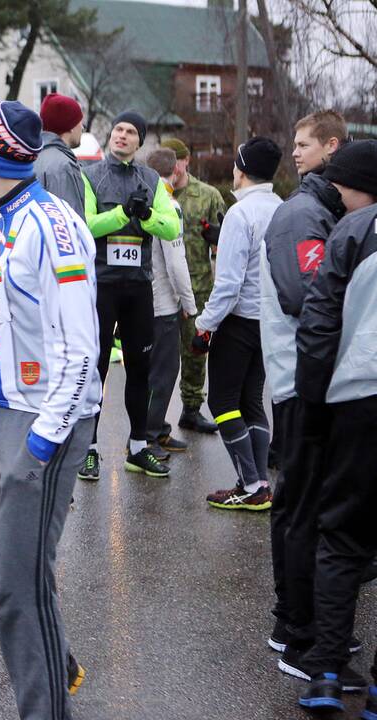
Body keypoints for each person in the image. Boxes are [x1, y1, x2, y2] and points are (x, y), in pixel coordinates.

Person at [0, 100, 100, 720]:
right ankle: (55, 656)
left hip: (43, 422)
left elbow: (80, 347)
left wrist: (44, 437)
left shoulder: (55, 225)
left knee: (17, 586)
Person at [263, 111, 351, 676]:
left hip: (312, 377)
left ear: (331, 147)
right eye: (295, 144)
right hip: (300, 381)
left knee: (307, 504)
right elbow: (306, 296)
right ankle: (297, 631)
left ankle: (305, 621)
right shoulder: (302, 213)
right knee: (299, 507)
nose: (294, 153)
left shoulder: (324, 208)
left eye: (303, 144)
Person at [293, 140, 377, 713]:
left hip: (359, 396)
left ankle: (325, 672)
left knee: (342, 535)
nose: (336, 194)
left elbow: (320, 322)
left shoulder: (353, 230)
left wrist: (313, 405)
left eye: (341, 185)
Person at [79, 110, 179, 480]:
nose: (122, 135)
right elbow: (86, 226)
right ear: (110, 137)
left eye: (131, 132)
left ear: (140, 142)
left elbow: (171, 227)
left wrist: (148, 214)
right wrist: (123, 214)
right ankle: (87, 448)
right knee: (96, 368)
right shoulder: (90, 176)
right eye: (118, 130)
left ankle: (138, 447)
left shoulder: (151, 179)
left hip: (138, 288)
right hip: (102, 286)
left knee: (140, 369)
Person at [192, 137, 282, 510]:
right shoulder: (282, 208)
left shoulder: (240, 214)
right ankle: (259, 481)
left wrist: (204, 326)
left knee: (223, 401)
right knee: (252, 401)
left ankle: (250, 484)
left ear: (241, 170)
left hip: (238, 320)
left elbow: (228, 284)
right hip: (270, 321)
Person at [160, 138, 226, 434]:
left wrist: (218, 239)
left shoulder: (208, 196)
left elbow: (224, 244)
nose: (173, 167)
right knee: (160, 356)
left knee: (195, 351)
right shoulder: (155, 192)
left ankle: (191, 408)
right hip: (162, 288)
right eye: (168, 160)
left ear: (187, 161)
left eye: (178, 160)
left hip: (198, 286)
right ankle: (154, 416)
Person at [144, 148, 197, 457]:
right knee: (163, 373)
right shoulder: (169, 205)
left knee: (151, 373)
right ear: (176, 171)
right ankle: (148, 435)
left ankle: (157, 428)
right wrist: (189, 304)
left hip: (143, 299)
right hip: (162, 303)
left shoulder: (140, 198)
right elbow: (176, 263)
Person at [34, 92, 86, 215]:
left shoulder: (31, 158)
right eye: (79, 121)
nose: (82, 127)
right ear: (71, 126)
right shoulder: (63, 166)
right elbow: (70, 221)